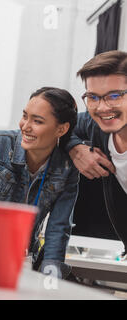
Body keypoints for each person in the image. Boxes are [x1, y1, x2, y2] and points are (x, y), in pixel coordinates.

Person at [0, 87, 79, 278]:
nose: (25, 126)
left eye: (37, 121)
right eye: (25, 116)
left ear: (61, 129)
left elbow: (58, 229)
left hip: (22, 259)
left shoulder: (67, 167)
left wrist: (51, 281)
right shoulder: (0, 144)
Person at [66, 50, 127, 258]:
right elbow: (58, 126)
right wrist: (76, 149)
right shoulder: (96, 127)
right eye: (92, 97)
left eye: (114, 96)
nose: (102, 107)